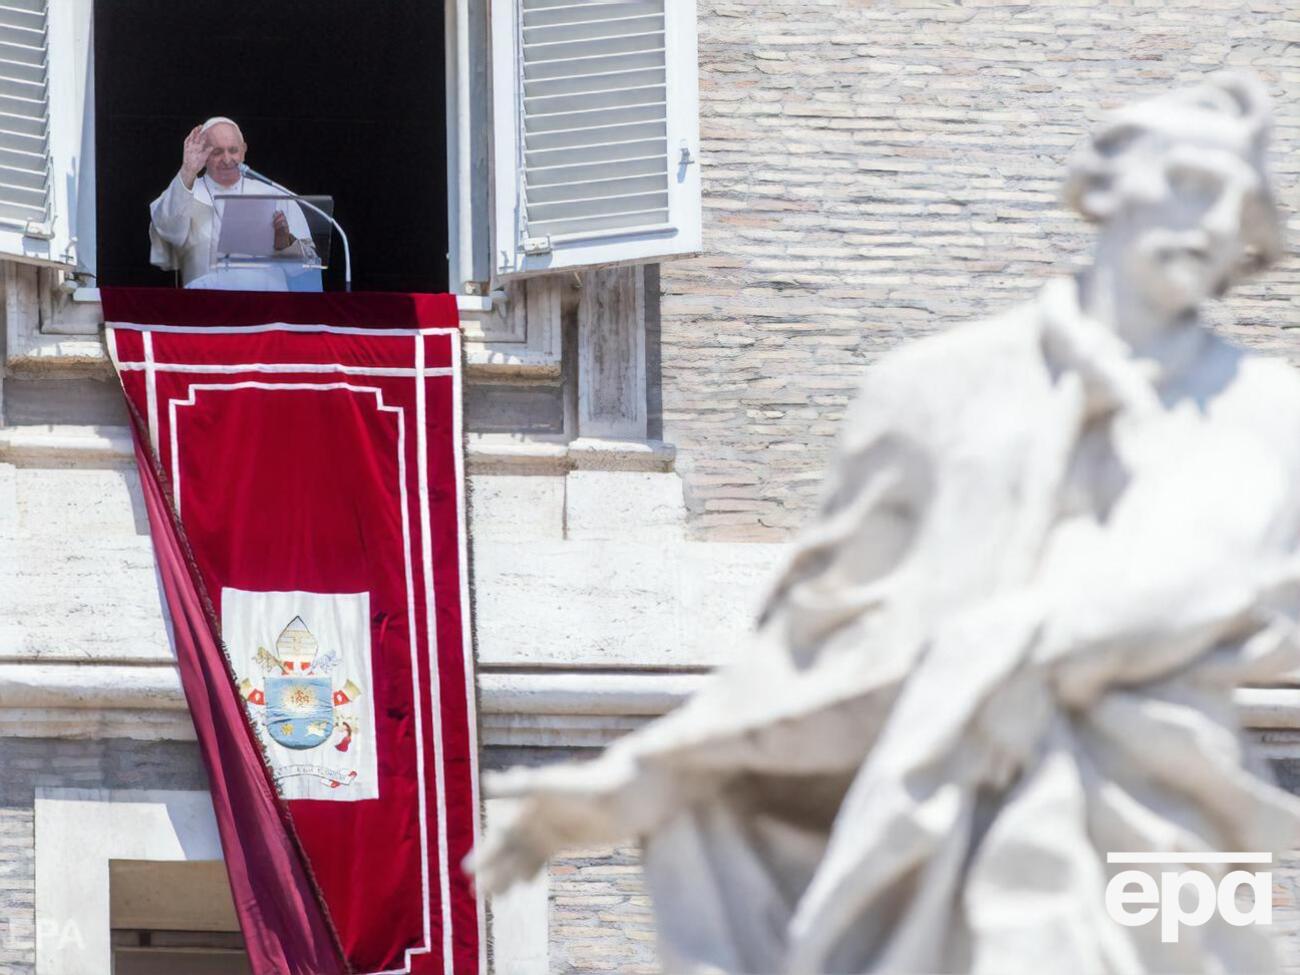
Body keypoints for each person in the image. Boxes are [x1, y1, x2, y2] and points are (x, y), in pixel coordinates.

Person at [473, 72, 1300, 973]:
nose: (1214, 221)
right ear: (1103, 188)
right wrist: (650, 770)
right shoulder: (933, 392)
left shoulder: (1267, 414)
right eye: (1187, 180)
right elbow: (821, 642)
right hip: (948, 824)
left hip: (1173, 832)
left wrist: (1017, 638)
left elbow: (1229, 585)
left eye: (1240, 205)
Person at [149, 117, 315, 291]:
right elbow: (165, 239)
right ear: (203, 154)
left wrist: (286, 244)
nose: (227, 159)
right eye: (217, 151)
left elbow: (309, 265)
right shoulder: (184, 190)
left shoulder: (275, 195)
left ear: (243, 151)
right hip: (204, 308)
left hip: (268, 310)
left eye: (233, 150)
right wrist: (188, 170)